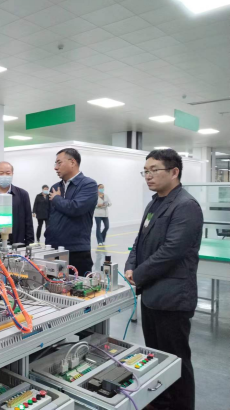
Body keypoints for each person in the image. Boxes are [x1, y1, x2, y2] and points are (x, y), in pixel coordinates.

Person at [125, 149, 202, 410]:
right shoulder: (154, 203)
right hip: (152, 295)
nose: (148, 176)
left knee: (176, 360)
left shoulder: (186, 206)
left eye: (154, 170)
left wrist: (139, 274)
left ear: (174, 172)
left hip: (172, 298)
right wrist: (131, 265)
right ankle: (161, 402)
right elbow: (140, 240)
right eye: (145, 171)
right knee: (157, 357)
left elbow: (172, 251)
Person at [45, 148, 97, 275]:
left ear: (72, 162)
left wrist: (57, 199)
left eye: (59, 163)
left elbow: (76, 208)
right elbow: (51, 216)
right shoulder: (55, 187)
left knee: (77, 286)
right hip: (53, 249)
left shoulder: (88, 185)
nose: (55, 168)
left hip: (76, 251)